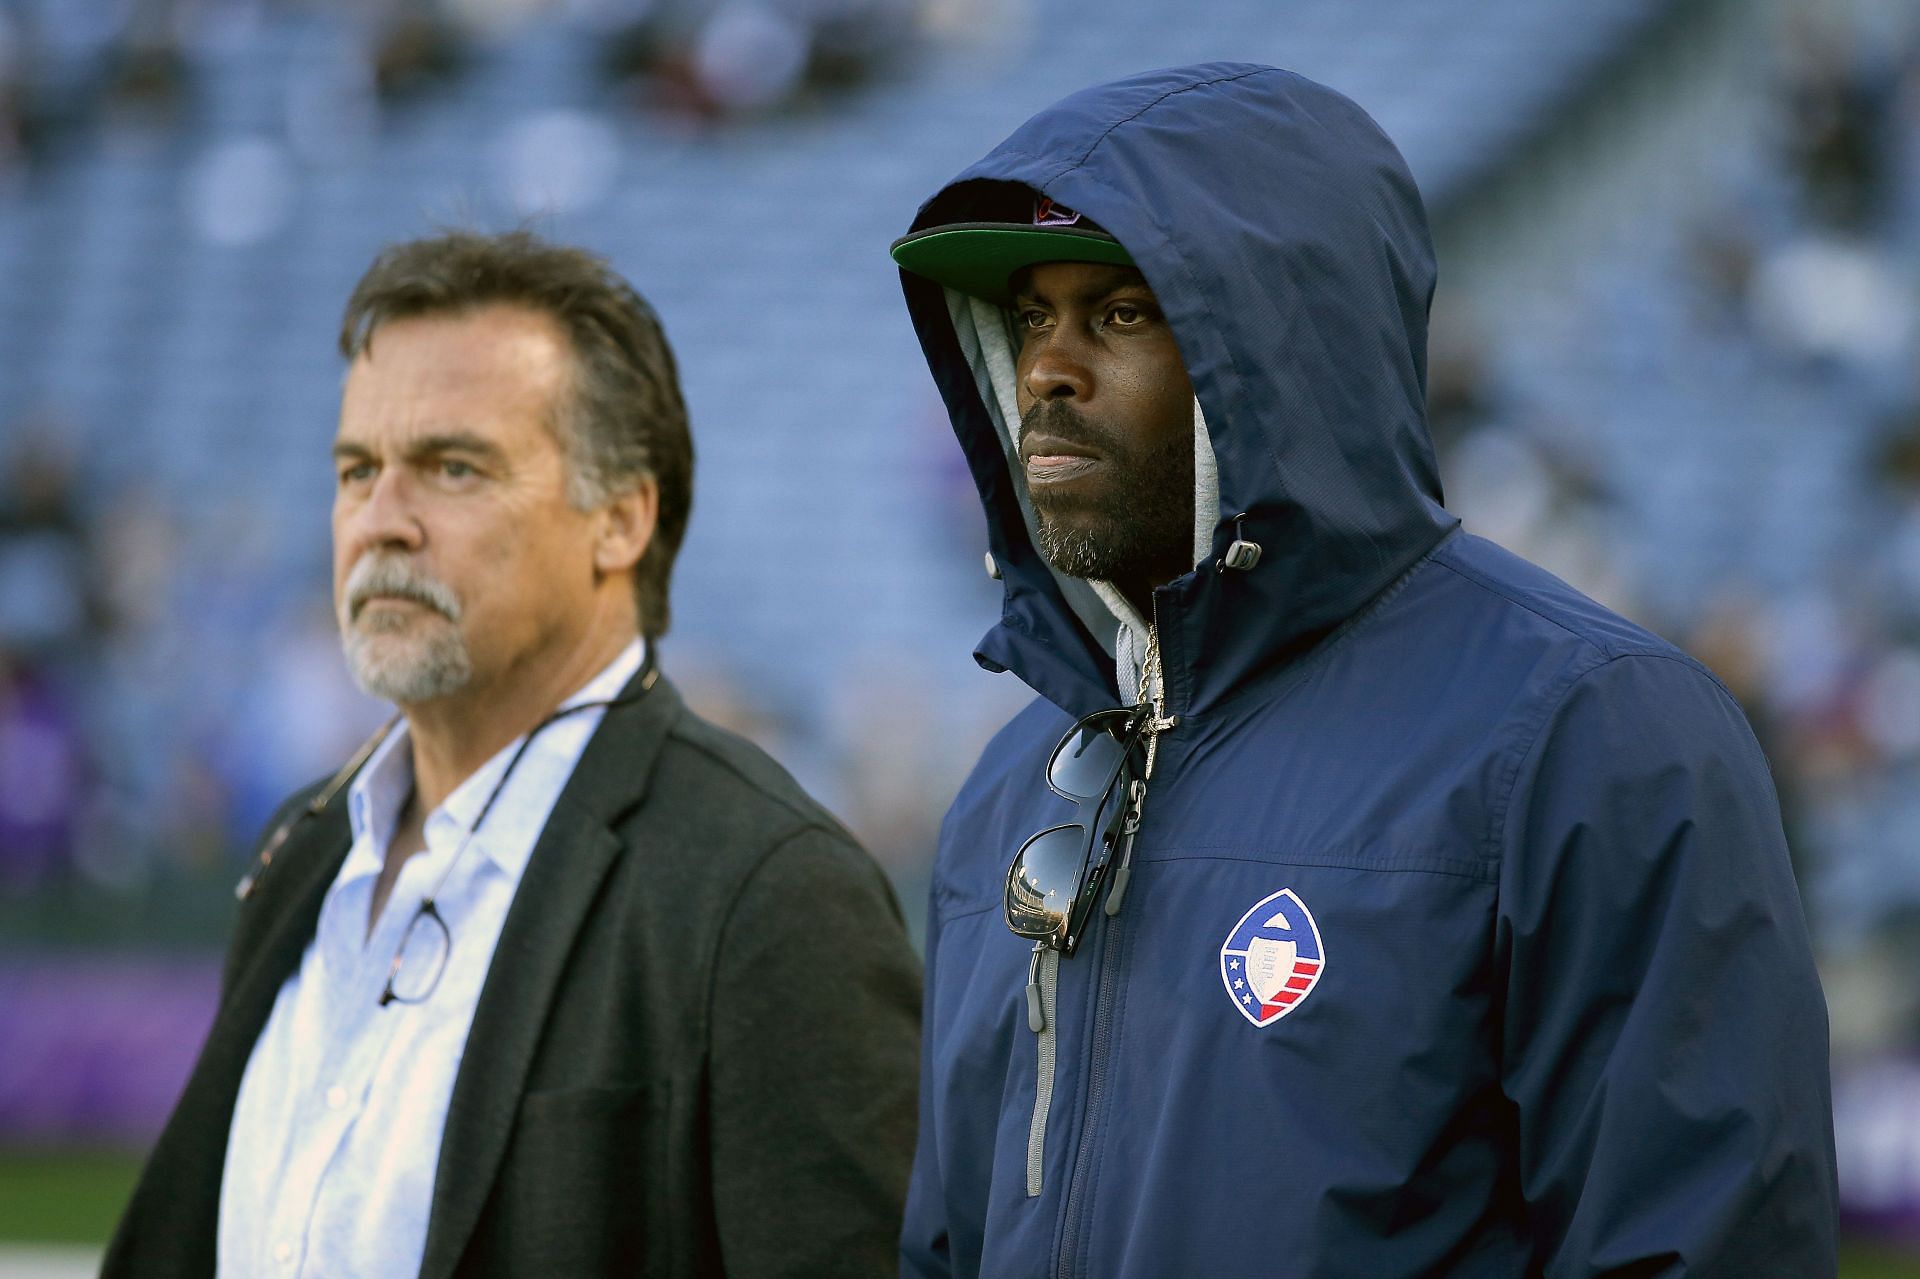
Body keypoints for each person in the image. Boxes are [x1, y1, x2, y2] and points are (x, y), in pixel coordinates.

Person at [889, 64, 1836, 1277]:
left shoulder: (1592, 735)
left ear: (1277, 345)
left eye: (1120, 313)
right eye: (1029, 318)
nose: (1047, 372)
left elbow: (1700, 1244)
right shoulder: (1009, 793)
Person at [105, 230, 920, 1278]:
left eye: (453, 467)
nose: (381, 522)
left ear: (620, 519)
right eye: (357, 470)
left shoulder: (768, 894)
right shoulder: (303, 851)